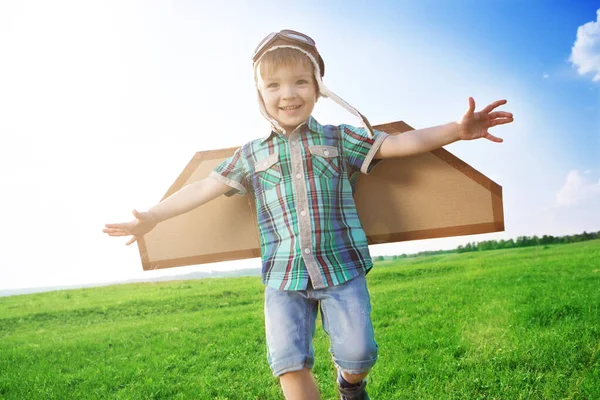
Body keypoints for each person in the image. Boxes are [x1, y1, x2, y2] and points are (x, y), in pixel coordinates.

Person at [103, 29, 513, 400]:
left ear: (318, 89)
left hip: (341, 269)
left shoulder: (340, 138)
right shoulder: (250, 155)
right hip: (283, 277)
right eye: (274, 85)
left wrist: (456, 131)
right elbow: (203, 188)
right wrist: (153, 216)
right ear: (260, 95)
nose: (289, 94)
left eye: (301, 81)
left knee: (359, 355)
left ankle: (349, 386)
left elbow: (398, 144)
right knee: (288, 363)